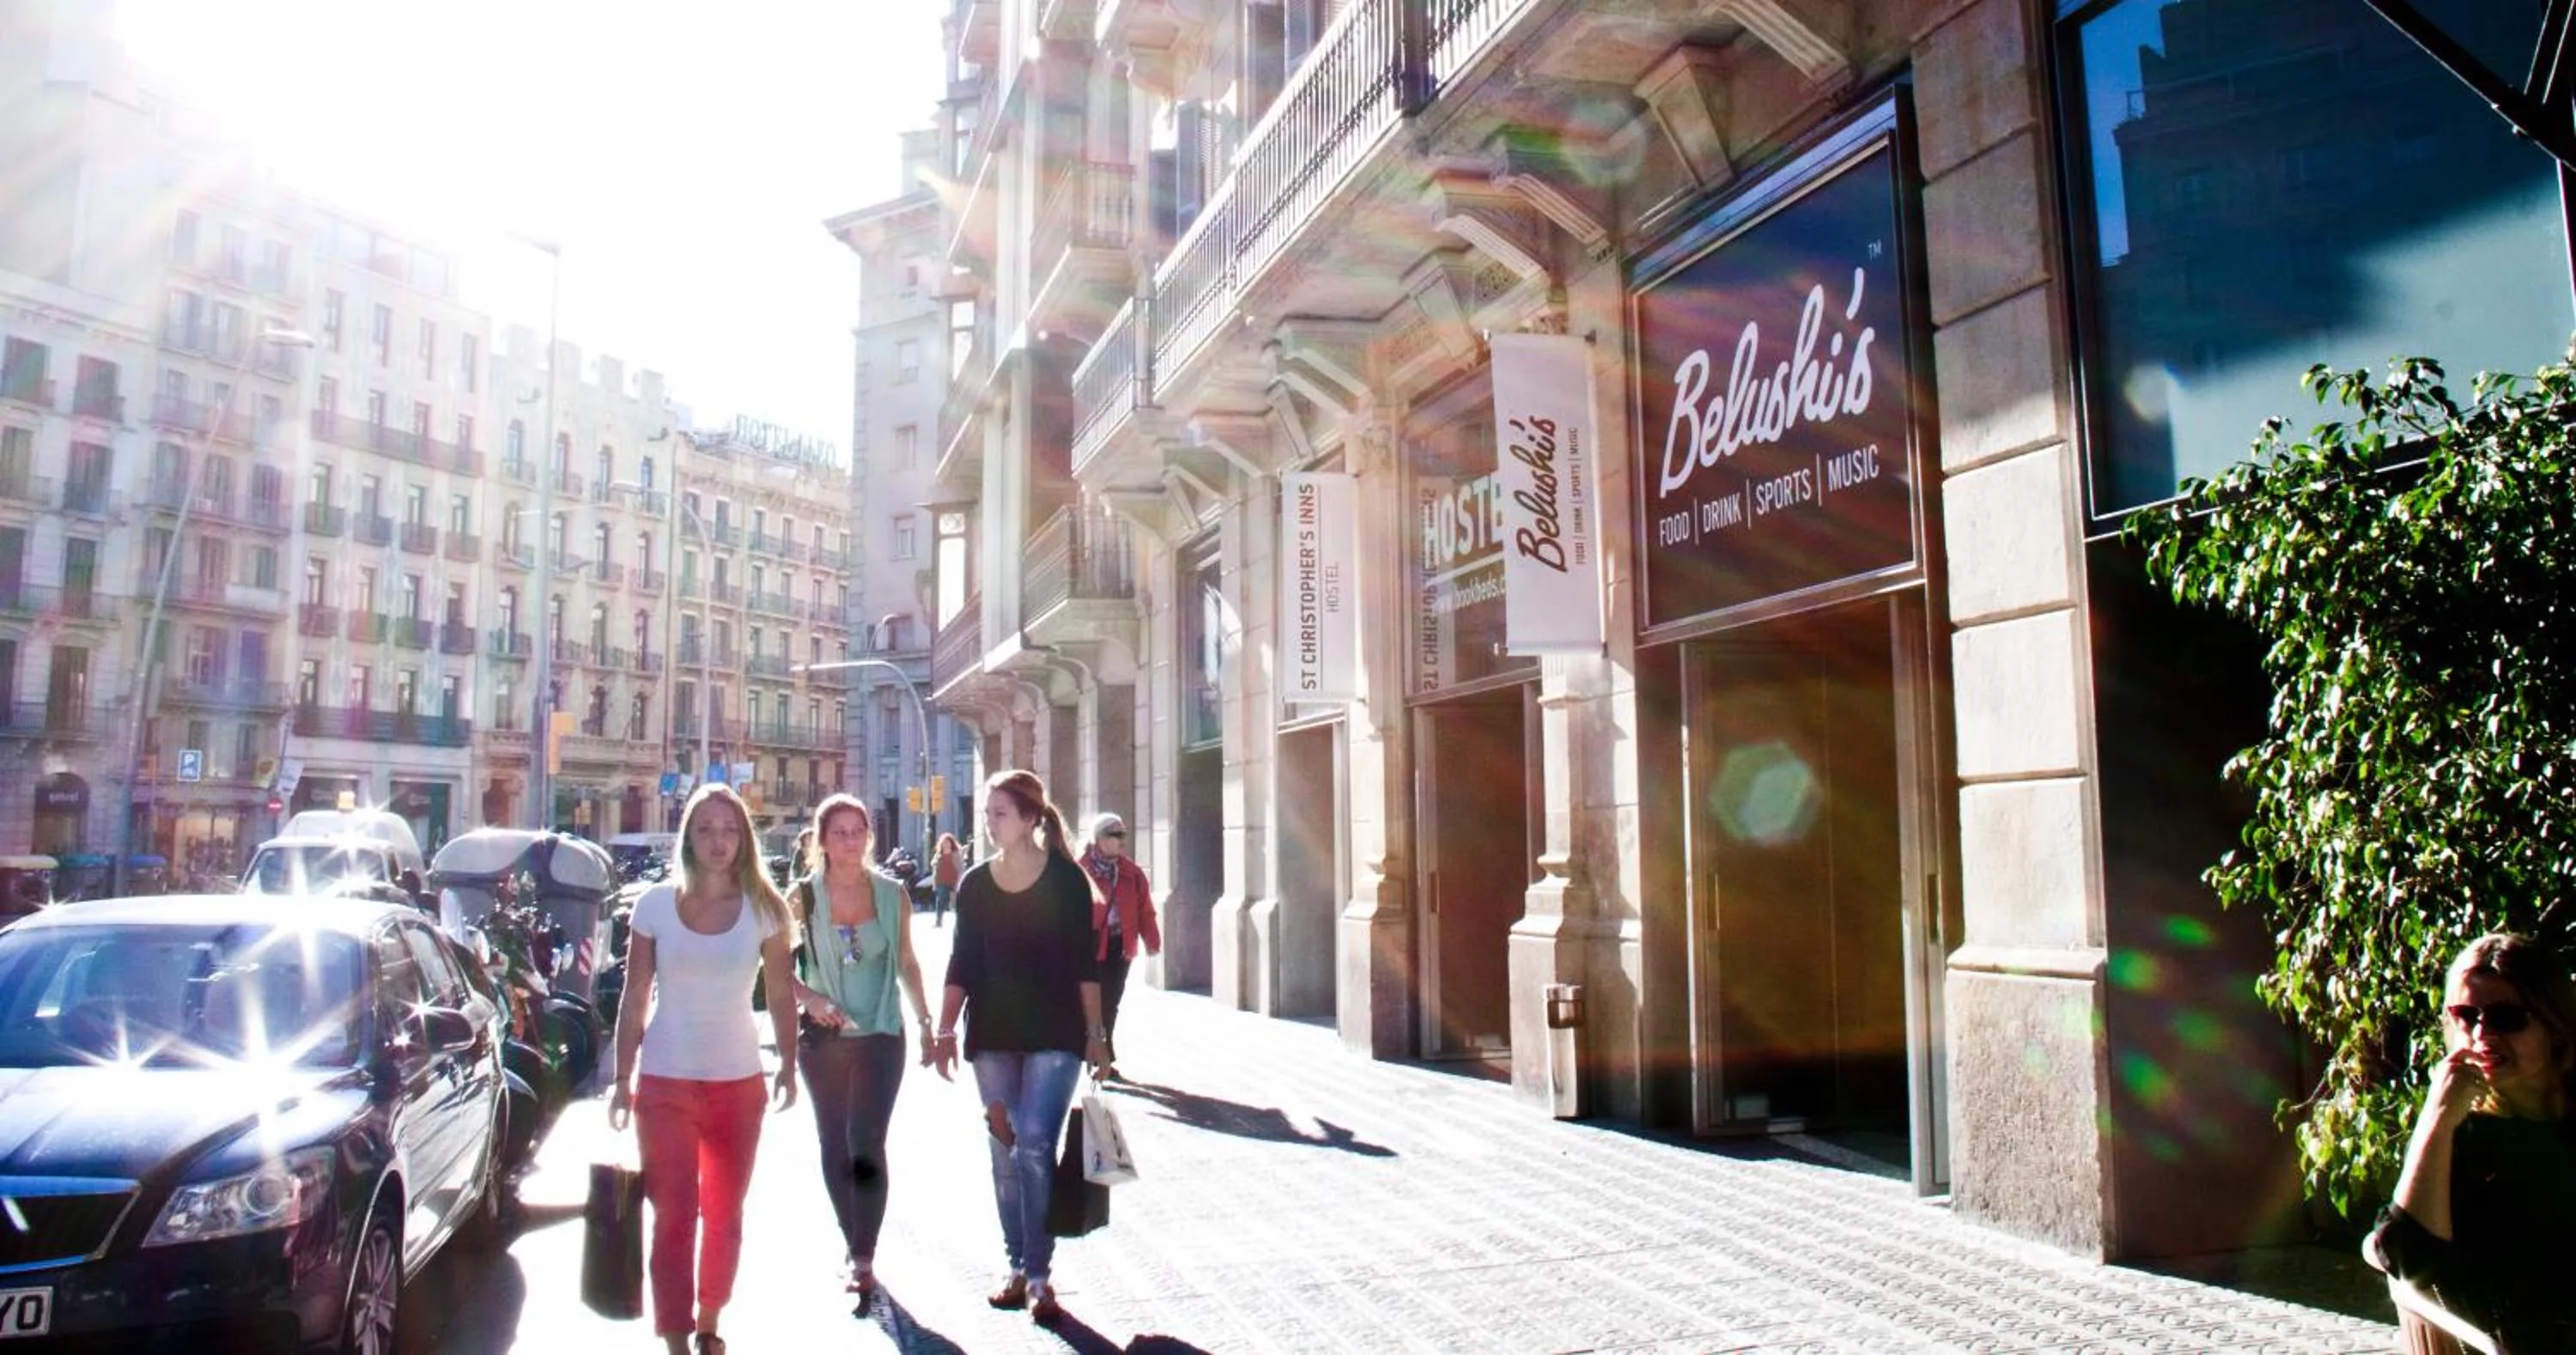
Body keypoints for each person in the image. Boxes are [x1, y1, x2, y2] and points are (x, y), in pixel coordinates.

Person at [606, 784, 801, 1355]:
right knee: (673, 1216)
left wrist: (788, 1061)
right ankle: (675, 1341)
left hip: (739, 1085)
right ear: (688, 837)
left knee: (724, 1213)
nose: (719, 841)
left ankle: (709, 1323)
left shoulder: (767, 908)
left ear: (744, 839)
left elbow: (783, 993)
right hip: (665, 1080)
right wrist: (622, 1078)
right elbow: (635, 994)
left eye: (730, 830)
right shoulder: (653, 906)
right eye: (707, 830)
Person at [928, 770, 1109, 1327]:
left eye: (1000, 813)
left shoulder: (1065, 882)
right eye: (986, 814)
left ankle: (1038, 1275)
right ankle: (1014, 1267)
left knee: (1034, 1143)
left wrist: (1097, 1037)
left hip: (1056, 1036)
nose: (989, 823)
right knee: (1003, 1150)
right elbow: (963, 962)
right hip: (993, 1038)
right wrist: (944, 1030)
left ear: (1032, 818)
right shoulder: (976, 885)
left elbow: (1085, 965)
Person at [2369, 933, 2576, 1352]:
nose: (2482, 1033)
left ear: (2555, 1027)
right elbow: (2410, 1263)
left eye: (2506, 1018)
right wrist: (2437, 1117)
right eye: (2465, 1015)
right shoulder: (2460, 1135)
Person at [785, 794, 933, 1311]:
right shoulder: (802, 897)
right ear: (822, 840)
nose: (850, 840)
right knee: (834, 1144)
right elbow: (776, 972)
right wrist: (813, 998)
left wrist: (927, 1021)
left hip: (882, 1033)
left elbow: (909, 962)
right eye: (840, 831)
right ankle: (854, 1240)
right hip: (825, 1041)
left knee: (866, 1140)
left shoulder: (894, 895)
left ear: (869, 837)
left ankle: (863, 1256)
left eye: (858, 830)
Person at [1079, 813, 1161, 1082]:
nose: (1121, 841)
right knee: (1093, 1002)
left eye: (1123, 835)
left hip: (1120, 946)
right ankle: (1096, 1054)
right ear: (1099, 839)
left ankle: (1103, 1053)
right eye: (1115, 835)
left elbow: (1145, 910)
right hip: (1090, 946)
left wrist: (1152, 940)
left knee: (1110, 1003)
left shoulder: (1132, 873)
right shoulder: (1081, 870)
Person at [931, 832, 963, 928]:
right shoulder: (938, 855)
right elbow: (935, 869)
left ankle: (961, 923)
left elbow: (960, 869)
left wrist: (959, 882)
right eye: (944, 842)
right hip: (941, 881)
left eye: (948, 842)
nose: (946, 844)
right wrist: (934, 883)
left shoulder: (956, 854)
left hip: (953, 881)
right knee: (940, 901)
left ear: (951, 843)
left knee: (956, 904)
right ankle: (938, 921)